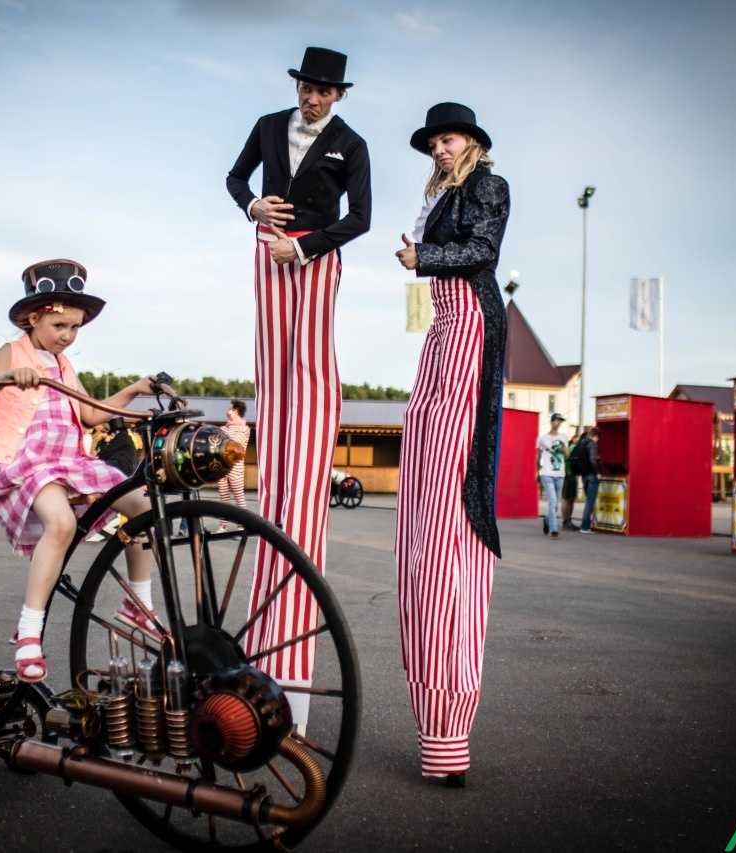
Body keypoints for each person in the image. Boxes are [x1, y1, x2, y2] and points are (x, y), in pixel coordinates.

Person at [225, 45, 372, 730]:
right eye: (309, 88)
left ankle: (310, 439)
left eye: (325, 92)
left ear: (338, 96)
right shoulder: (265, 124)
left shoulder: (351, 144)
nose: (315, 99)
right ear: (299, 86)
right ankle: (278, 432)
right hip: (265, 251)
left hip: (314, 257)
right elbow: (232, 180)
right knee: (270, 369)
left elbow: (361, 219)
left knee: (310, 366)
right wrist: (253, 206)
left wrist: (307, 246)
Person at [394, 102, 509, 786]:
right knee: (424, 487)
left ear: (471, 141)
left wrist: (422, 256)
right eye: (436, 137)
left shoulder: (487, 184)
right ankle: (440, 740)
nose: (442, 146)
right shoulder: (442, 191)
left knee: (447, 509)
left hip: (469, 319)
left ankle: (449, 734)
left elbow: (483, 252)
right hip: (444, 324)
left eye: (452, 136)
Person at [0, 258, 157, 683]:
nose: (67, 337)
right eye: (60, 327)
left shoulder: (64, 366)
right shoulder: (14, 351)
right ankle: (29, 635)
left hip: (69, 462)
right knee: (60, 523)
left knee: (143, 505)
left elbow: (92, 416)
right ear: (34, 317)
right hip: (25, 460)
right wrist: (7, 377)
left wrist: (133, 389)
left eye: (74, 329)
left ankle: (139, 605)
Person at [215, 399, 249, 519]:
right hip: (222, 467)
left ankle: (244, 524)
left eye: (230, 409)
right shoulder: (223, 428)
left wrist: (221, 437)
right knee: (224, 497)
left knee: (239, 497)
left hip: (236, 468)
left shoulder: (245, 429)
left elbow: (234, 443)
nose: (227, 411)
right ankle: (223, 526)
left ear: (236, 411)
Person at [537, 413, 567, 538]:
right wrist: (537, 471)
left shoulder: (564, 437)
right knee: (553, 501)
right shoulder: (542, 438)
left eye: (560, 421)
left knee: (555, 504)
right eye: (557, 420)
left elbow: (567, 455)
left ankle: (547, 520)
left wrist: (563, 450)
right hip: (546, 473)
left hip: (560, 474)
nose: (558, 423)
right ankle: (554, 530)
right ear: (551, 422)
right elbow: (538, 456)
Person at [578, 426, 601, 533]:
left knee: (588, 501)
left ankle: (585, 525)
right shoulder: (592, 444)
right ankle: (585, 527)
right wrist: (598, 473)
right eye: (598, 438)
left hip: (584, 476)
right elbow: (592, 460)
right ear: (595, 436)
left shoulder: (582, 443)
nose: (598, 440)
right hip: (592, 475)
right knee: (590, 502)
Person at [560, 428, 582, 530]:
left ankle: (567, 521)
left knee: (568, 498)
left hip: (568, 474)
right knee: (568, 499)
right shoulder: (572, 447)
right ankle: (566, 521)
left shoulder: (568, 447)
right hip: (569, 474)